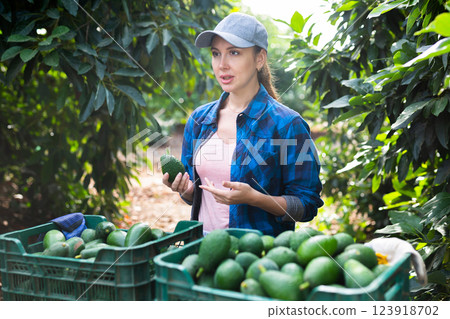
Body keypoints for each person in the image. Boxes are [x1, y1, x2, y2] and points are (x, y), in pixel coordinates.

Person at [162, 12, 323, 236]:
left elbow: (306, 205)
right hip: (203, 251)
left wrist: (255, 199)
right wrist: (187, 190)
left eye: (234, 53)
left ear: (259, 59)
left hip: (258, 258)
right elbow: (197, 196)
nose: (222, 64)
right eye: (216, 54)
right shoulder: (199, 120)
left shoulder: (287, 125)